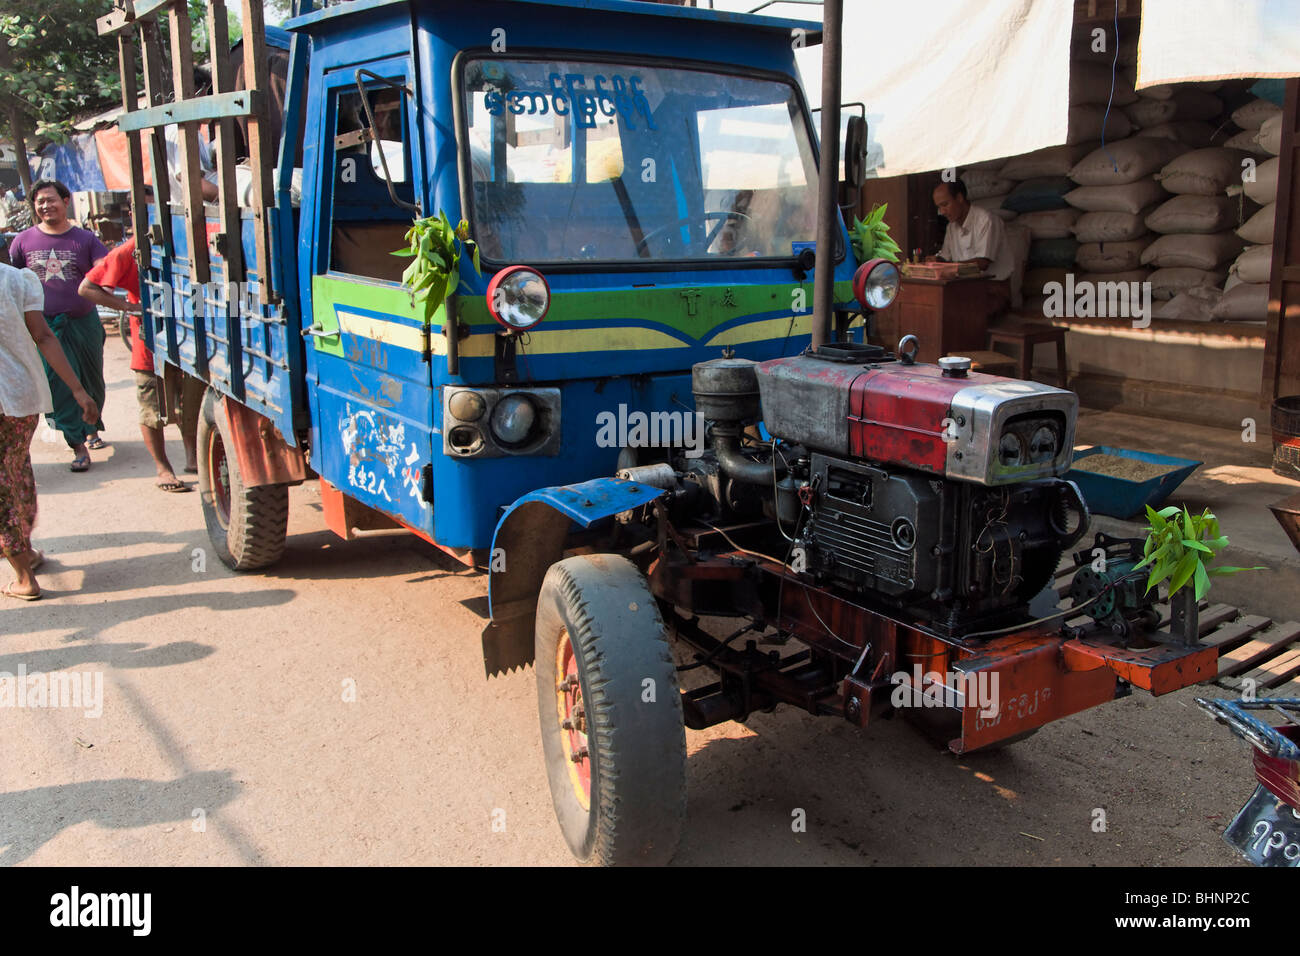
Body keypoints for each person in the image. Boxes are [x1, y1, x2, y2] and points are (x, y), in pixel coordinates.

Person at [0, 261, 100, 600]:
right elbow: (43, 336)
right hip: (21, 396)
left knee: (3, 485)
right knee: (16, 470)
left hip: (10, 396)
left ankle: (24, 577)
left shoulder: (18, 280)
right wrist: (78, 390)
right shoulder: (16, 280)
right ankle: (24, 552)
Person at [79, 236, 202, 492]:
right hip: (149, 346)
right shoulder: (130, 250)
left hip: (193, 342)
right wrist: (128, 306)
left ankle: (193, 457)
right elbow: (86, 288)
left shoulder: (189, 234)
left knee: (192, 404)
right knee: (152, 408)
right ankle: (163, 468)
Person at [7, 180, 108, 472]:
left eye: (51, 200)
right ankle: (76, 444)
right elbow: (12, 281)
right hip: (45, 328)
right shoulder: (22, 241)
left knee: (92, 381)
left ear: (65, 201)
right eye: (40, 202)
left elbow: (104, 268)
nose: (45, 206)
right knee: (60, 386)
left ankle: (91, 427)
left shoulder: (85, 239)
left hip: (83, 323)